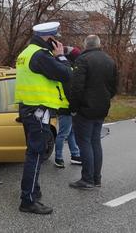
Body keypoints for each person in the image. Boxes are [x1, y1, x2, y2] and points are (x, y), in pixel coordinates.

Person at [15, 22, 72, 214]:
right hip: (39, 111)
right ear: (51, 39)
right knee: (37, 153)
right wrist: (61, 56)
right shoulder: (41, 55)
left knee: (33, 152)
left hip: (28, 109)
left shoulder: (25, 53)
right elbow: (66, 74)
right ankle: (28, 200)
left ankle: (33, 191)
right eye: (56, 39)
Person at [69, 35, 118, 189]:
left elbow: (76, 87)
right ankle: (96, 178)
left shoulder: (82, 60)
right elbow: (114, 87)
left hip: (84, 109)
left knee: (84, 143)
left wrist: (74, 108)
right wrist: (104, 99)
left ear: (85, 45)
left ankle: (87, 179)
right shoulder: (110, 61)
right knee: (95, 142)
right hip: (101, 108)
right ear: (98, 44)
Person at [54, 46, 82, 168]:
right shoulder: (66, 70)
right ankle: (58, 157)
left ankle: (75, 155)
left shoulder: (62, 67)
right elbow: (69, 91)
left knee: (71, 133)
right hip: (65, 106)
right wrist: (73, 107)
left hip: (64, 105)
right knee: (63, 133)